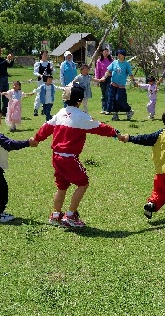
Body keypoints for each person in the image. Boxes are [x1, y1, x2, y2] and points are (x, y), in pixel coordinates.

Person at [30, 85, 120, 228]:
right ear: (80, 100)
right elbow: (100, 127)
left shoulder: (60, 113)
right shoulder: (81, 116)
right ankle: (70, 216)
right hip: (69, 158)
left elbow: (46, 127)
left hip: (56, 157)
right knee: (83, 183)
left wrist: (36, 139)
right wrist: (116, 133)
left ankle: (55, 215)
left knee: (62, 187)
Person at [107, 49, 134, 121]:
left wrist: (134, 82)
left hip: (121, 86)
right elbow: (108, 71)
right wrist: (105, 77)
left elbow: (130, 74)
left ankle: (129, 110)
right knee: (113, 100)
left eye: (120, 54)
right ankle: (115, 114)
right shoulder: (114, 62)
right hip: (113, 85)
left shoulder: (126, 64)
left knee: (119, 99)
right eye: (118, 54)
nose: (118, 55)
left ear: (124, 55)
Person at [33, 50, 54, 116]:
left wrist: (52, 69)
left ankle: (44, 109)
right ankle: (36, 109)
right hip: (41, 81)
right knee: (39, 94)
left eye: (47, 54)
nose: (46, 56)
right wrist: (40, 75)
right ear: (41, 55)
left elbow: (53, 72)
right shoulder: (38, 63)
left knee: (47, 94)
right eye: (44, 54)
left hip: (48, 81)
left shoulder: (50, 63)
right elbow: (35, 72)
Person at [94, 47, 113, 114]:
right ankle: (103, 108)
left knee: (108, 93)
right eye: (104, 51)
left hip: (109, 78)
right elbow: (97, 71)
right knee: (103, 93)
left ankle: (108, 109)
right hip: (102, 79)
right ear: (102, 52)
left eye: (107, 51)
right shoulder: (99, 61)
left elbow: (114, 69)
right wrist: (97, 80)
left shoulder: (111, 60)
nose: (106, 52)